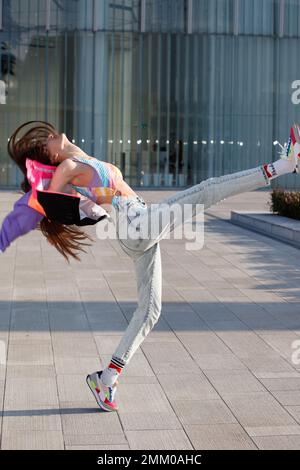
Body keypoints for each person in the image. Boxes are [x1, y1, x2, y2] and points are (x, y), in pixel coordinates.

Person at [1, 120, 299, 412]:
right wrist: (41, 203)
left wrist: (67, 171)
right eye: (46, 143)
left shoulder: (78, 156)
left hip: (139, 219)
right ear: (51, 157)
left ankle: (106, 379)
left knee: (150, 310)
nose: (51, 135)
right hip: (135, 224)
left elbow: (89, 177)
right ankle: (283, 166)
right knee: (207, 190)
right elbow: (49, 201)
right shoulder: (66, 168)